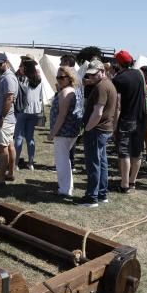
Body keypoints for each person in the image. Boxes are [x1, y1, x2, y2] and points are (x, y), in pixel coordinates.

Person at [77, 60, 117, 207]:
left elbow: (98, 112)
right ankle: (101, 194)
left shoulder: (101, 87)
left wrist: (87, 128)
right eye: (90, 75)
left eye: (94, 74)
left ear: (102, 71)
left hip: (97, 130)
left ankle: (92, 197)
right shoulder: (107, 84)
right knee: (101, 162)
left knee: (93, 163)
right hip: (103, 129)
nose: (92, 77)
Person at [113, 50, 145, 193]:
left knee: (124, 153)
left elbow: (117, 104)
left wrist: (114, 125)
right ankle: (132, 182)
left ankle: (124, 184)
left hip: (126, 118)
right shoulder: (140, 74)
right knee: (137, 152)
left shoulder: (119, 79)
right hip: (140, 118)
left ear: (119, 63)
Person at [48, 66, 83, 199]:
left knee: (61, 161)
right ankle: (68, 186)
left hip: (63, 132)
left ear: (70, 78)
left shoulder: (65, 93)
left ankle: (64, 189)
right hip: (71, 131)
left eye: (62, 77)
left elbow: (61, 116)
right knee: (65, 160)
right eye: (58, 77)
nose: (59, 79)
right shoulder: (74, 90)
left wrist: (52, 133)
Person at [0, 53, 18, 185]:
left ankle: (2, 177)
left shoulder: (8, 78)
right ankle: (10, 173)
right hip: (6, 118)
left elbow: (9, 98)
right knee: (10, 146)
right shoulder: (5, 77)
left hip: (5, 118)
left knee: (3, 149)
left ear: (5, 62)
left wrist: (2, 116)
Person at [14, 57, 43, 170]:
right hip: (34, 111)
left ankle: (15, 163)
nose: (19, 68)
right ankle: (31, 163)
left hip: (23, 110)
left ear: (25, 67)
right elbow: (40, 96)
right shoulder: (39, 79)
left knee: (19, 137)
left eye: (21, 66)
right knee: (30, 137)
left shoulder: (22, 79)